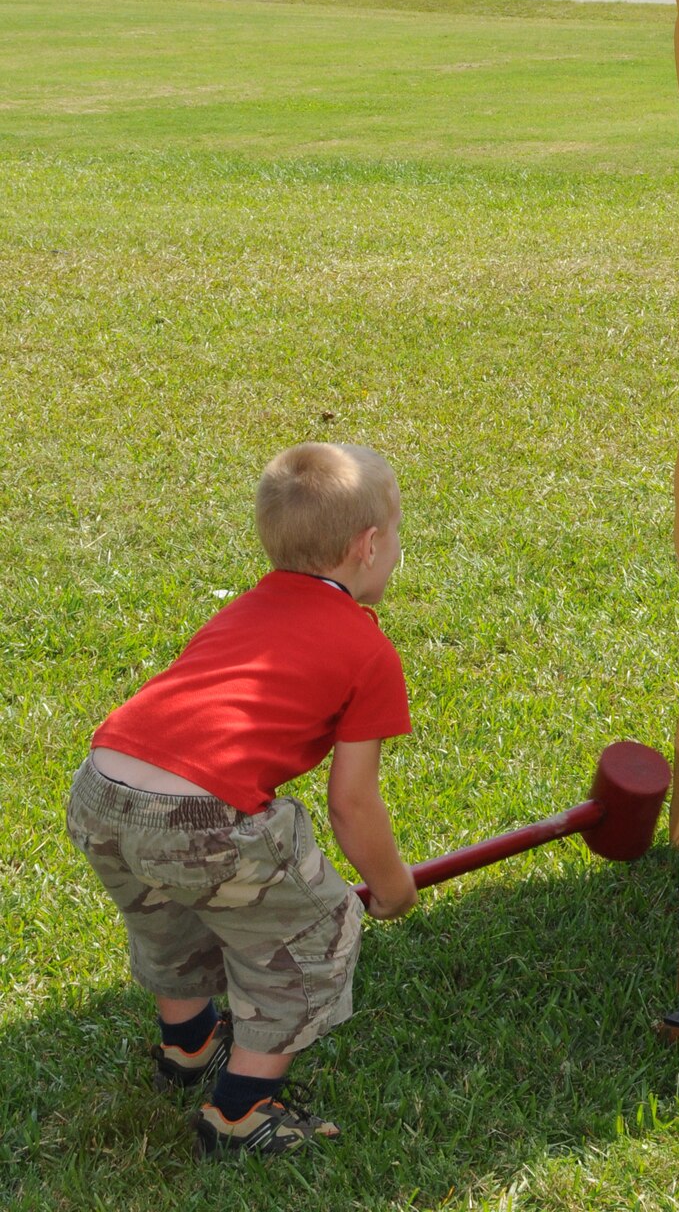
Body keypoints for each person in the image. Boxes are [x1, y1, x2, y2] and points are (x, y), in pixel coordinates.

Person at [65, 442, 418, 1159]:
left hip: (101, 786)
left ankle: (189, 1044)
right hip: (198, 816)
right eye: (398, 535)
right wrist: (390, 885)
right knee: (312, 934)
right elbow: (352, 804)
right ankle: (240, 1110)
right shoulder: (366, 648)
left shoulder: (246, 609)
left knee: (168, 916)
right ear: (368, 545)